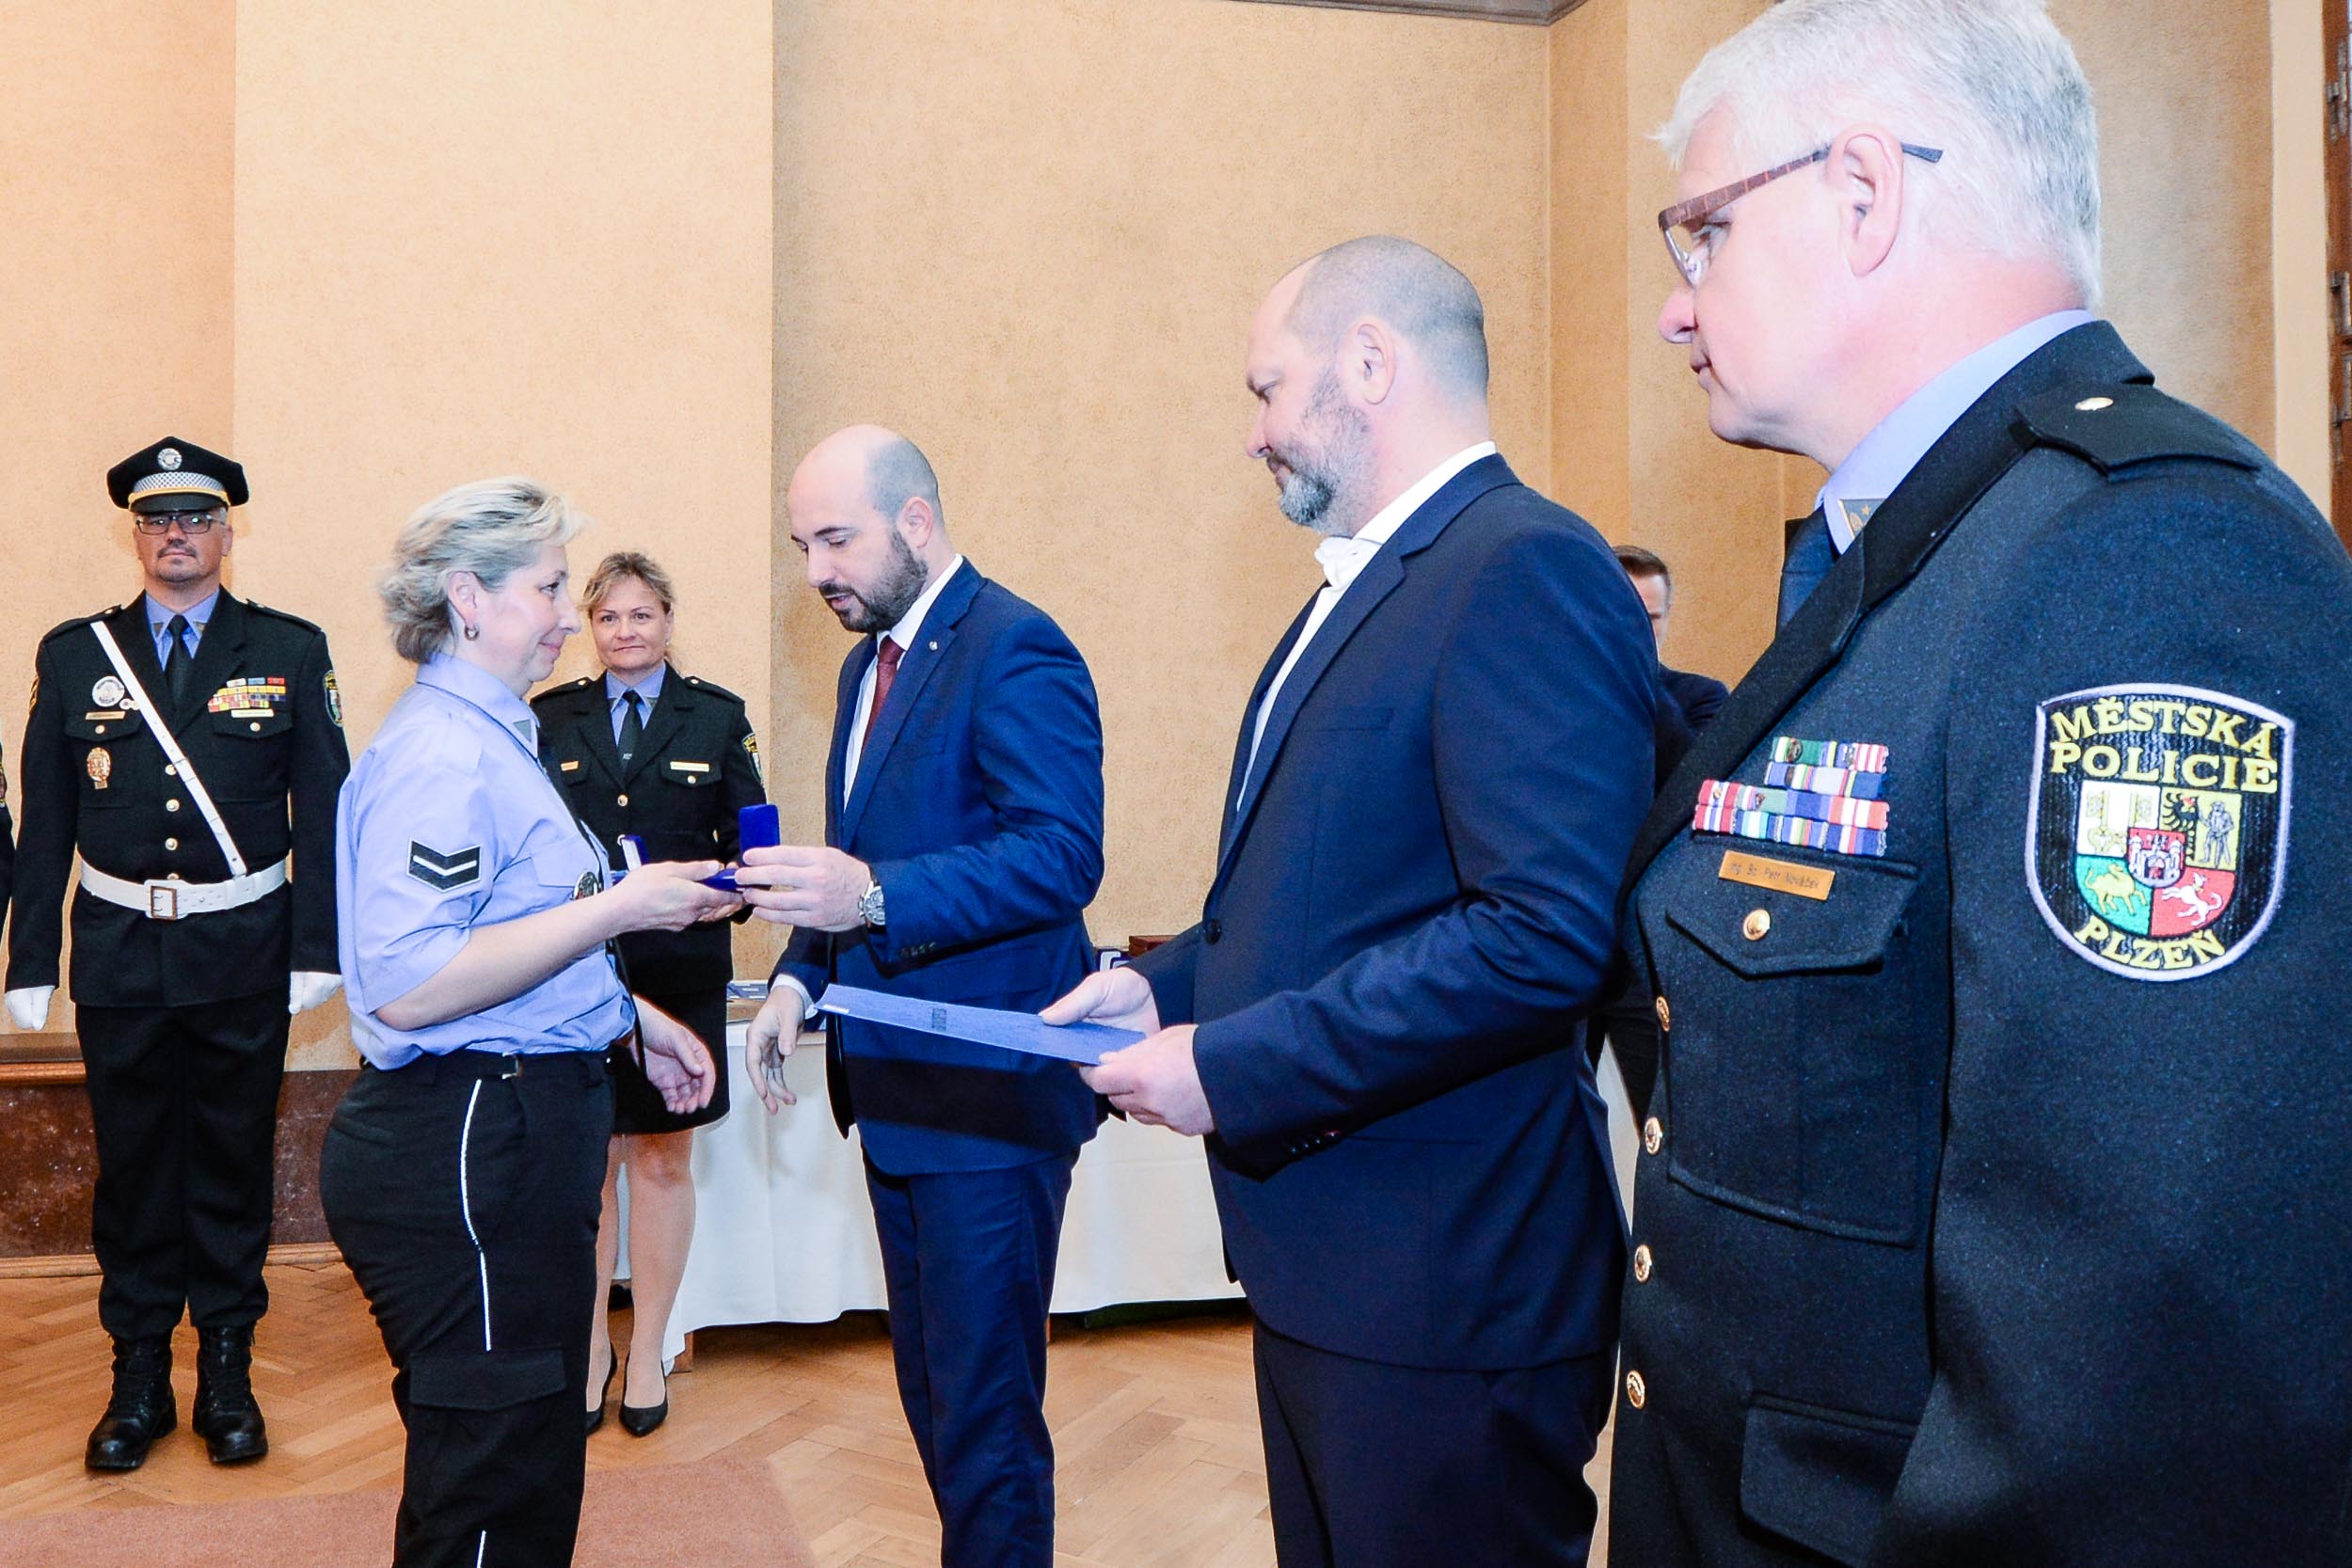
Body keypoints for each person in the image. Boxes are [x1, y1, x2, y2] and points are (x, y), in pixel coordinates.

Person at [1613, 2, 2352, 1563]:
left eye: (1704, 233)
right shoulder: (1929, 545)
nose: (1679, 309)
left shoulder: (2139, 557)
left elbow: (2143, 1343)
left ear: (1866, 190)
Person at [1044, 237, 1655, 1567]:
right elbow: (1318, 891)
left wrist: (1233, 1062)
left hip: (1450, 1288)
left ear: (1370, 362)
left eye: (1268, 387)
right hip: (1345, 1271)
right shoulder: (1376, 581)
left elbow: (1541, 932)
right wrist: (1166, 986)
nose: (1254, 432)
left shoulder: (1520, 564)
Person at [321, 478, 734, 1566]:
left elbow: (513, 930)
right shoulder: (444, 754)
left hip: (510, 1125)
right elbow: (410, 979)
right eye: (550, 586)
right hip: (469, 1138)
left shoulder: (494, 737)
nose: (569, 612)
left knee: (520, 1453)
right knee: (495, 1475)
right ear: (468, 597)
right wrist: (626, 905)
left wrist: (628, 1015)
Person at [739, 425, 1104, 1568]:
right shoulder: (867, 665)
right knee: (938, 1398)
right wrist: (801, 976)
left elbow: (1060, 853)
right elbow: (858, 855)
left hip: (989, 1100)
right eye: (802, 546)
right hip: (895, 1090)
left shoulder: (1017, 646)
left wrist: (877, 898)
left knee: (987, 1418)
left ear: (914, 520)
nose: (816, 573)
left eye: (834, 539)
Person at [6, 436, 348, 1470]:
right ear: (136, 534)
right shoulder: (76, 655)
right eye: (158, 520)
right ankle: (140, 1377)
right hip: (117, 954)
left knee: (233, 1166)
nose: (176, 536)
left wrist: (315, 944)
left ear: (226, 531)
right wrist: (28, 961)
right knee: (135, 1172)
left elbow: (327, 811)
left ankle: (231, 1371)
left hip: (243, 947)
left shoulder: (286, 648)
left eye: (195, 518)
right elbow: (47, 819)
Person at [532, 550, 765, 1437]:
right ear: (591, 627)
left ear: (669, 620)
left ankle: (652, 1346)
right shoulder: (552, 716)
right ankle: (591, 1346)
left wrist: (733, 887)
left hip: (682, 969)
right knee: (584, 1169)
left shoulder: (716, 716)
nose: (626, 631)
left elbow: (757, 842)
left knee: (664, 1160)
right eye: (609, 617)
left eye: (642, 615)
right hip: (576, 973)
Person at [1614, 543, 1728, 736]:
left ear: (1667, 614)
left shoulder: (1703, 696)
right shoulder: (1564, 691)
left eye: (1652, 618)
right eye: (1630, 617)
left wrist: (1639, 674)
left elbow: (1692, 763)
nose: (1643, 631)